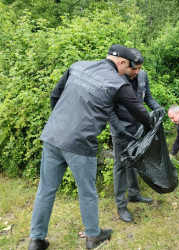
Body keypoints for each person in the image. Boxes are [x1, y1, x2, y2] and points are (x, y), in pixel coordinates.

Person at [28, 44, 152, 250]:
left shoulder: (78, 66)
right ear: (121, 62)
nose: (131, 72)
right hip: (80, 143)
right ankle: (93, 236)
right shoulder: (117, 83)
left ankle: (36, 240)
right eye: (130, 67)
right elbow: (140, 111)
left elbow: (54, 96)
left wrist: (62, 124)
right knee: (87, 191)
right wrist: (150, 128)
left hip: (52, 136)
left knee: (45, 190)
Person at [109, 48, 163, 223]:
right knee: (120, 166)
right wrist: (118, 128)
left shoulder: (143, 76)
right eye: (134, 69)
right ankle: (121, 206)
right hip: (120, 130)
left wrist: (158, 108)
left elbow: (148, 98)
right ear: (126, 65)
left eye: (140, 68)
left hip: (138, 128)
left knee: (135, 161)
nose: (137, 72)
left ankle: (134, 194)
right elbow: (108, 109)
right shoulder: (114, 78)